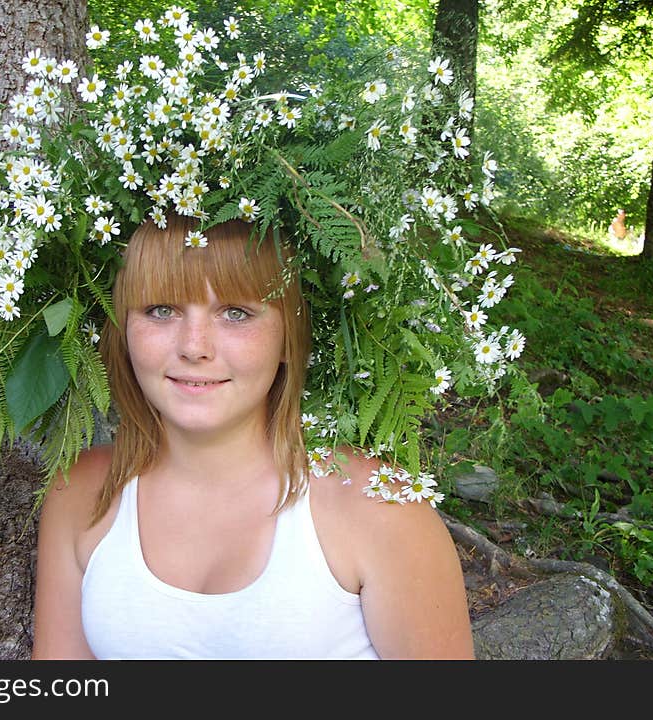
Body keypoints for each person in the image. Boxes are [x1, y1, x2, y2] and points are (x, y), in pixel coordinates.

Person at [31, 213, 474, 660]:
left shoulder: (379, 507)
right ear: (121, 327)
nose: (194, 346)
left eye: (236, 313)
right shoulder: (84, 491)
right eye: (160, 310)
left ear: (288, 337)